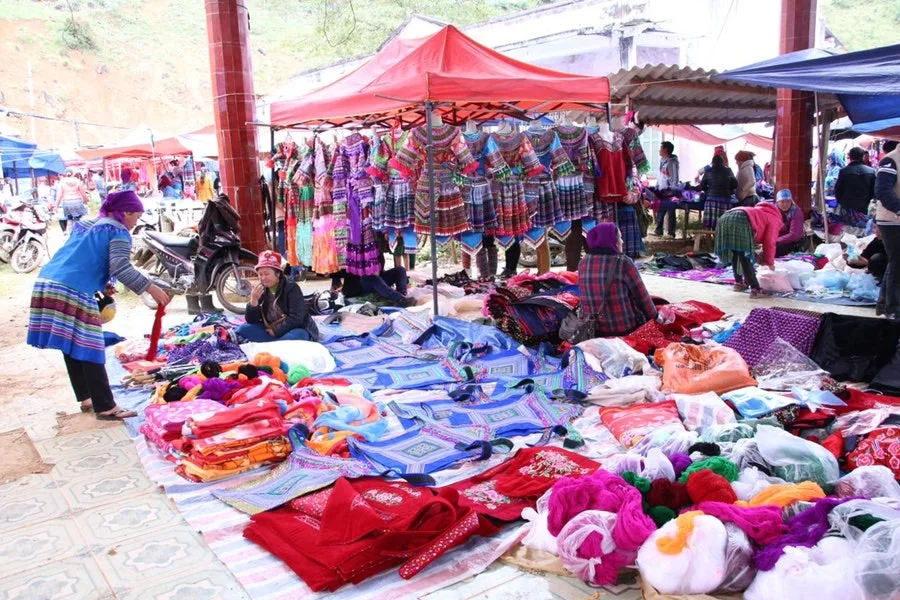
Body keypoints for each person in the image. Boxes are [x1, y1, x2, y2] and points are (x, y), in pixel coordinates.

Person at [26, 190, 170, 420]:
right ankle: (105, 406)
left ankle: (87, 398)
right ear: (125, 212)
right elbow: (121, 267)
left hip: (48, 282)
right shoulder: (119, 231)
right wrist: (152, 289)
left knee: (71, 343)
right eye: (136, 216)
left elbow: (81, 257)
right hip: (71, 289)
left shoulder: (86, 224)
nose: (136, 222)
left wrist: (102, 284)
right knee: (89, 345)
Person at [577, 222, 657, 335]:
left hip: (593, 329)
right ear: (611, 240)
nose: (622, 242)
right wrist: (656, 317)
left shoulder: (583, 263)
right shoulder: (623, 262)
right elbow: (642, 297)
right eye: (619, 238)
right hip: (622, 329)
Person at [237, 250, 319, 342]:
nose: (263, 278)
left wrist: (276, 331)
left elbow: (296, 318)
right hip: (271, 328)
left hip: (294, 329)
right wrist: (253, 302)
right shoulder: (261, 289)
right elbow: (252, 321)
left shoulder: (291, 288)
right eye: (260, 274)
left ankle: (275, 342)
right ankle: (278, 343)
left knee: (299, 335)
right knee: (243, 329)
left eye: (267, 274)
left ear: (278, 273)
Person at [715, 201, 783, 298]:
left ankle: (739, 283)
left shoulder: (758, 212)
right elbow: (769, 243)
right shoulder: (774, 219)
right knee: (745, 255)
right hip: (741, 219)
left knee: (736, 252)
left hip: (725, 218)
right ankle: (755, 289)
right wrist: (770, 262)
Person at [331, 249, 416, 307]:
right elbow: (338, 269)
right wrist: (335, 281)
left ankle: (402, 296)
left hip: (377, 280)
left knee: (400, 270)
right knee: (372, 278)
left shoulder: (374, 246)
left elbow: (379, 269)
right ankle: (398, 298)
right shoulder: (352, 250)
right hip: (358, 286)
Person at [874, 140, 900, 318]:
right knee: (897, 262)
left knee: (895, 262)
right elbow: (883, 191)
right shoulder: (891, 160)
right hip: (891, 220)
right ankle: (894, 309)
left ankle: (884, 305)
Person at [835, 146, 876, 217]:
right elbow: (874, 191)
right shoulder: (871, 171)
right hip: (864, 205)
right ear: (863, 156)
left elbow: (838, 190)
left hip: (847, 206)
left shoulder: (844, 171)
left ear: (850, 157)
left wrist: (841, 202)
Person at [700, 152, 738, 230]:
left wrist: (708, 191)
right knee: (724, 223)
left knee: (709, 223)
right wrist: (729, 190)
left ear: (712, 162)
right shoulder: (728, 170)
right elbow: (735, 184)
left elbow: (702, 186)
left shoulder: (708, 171)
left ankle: (708, 237)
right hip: (725, 199)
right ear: (723, 162)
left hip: (711, 199)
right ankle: (721, 236)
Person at [654, 141, 680, 238]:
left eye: (661, 148)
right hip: (662, 189)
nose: (659, 150)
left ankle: (671, 232)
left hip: (669, 190)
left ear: (666, 150)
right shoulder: (662, 160)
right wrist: (657, 185)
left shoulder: (672, 162)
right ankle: (659, 230)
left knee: (671, 210)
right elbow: (661, 175)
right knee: (660, 209)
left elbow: (674, 177)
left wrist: (672, 190)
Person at [774, 189, 806, 257]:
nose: (785, 204)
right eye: (782, 201)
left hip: (794, 243)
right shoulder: (774, 210)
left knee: (776, 248)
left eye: (788, 201)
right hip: (779, 239)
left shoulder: (796, 213)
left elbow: (794, 235)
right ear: (777, 202)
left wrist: (776, 240)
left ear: (791, 201)